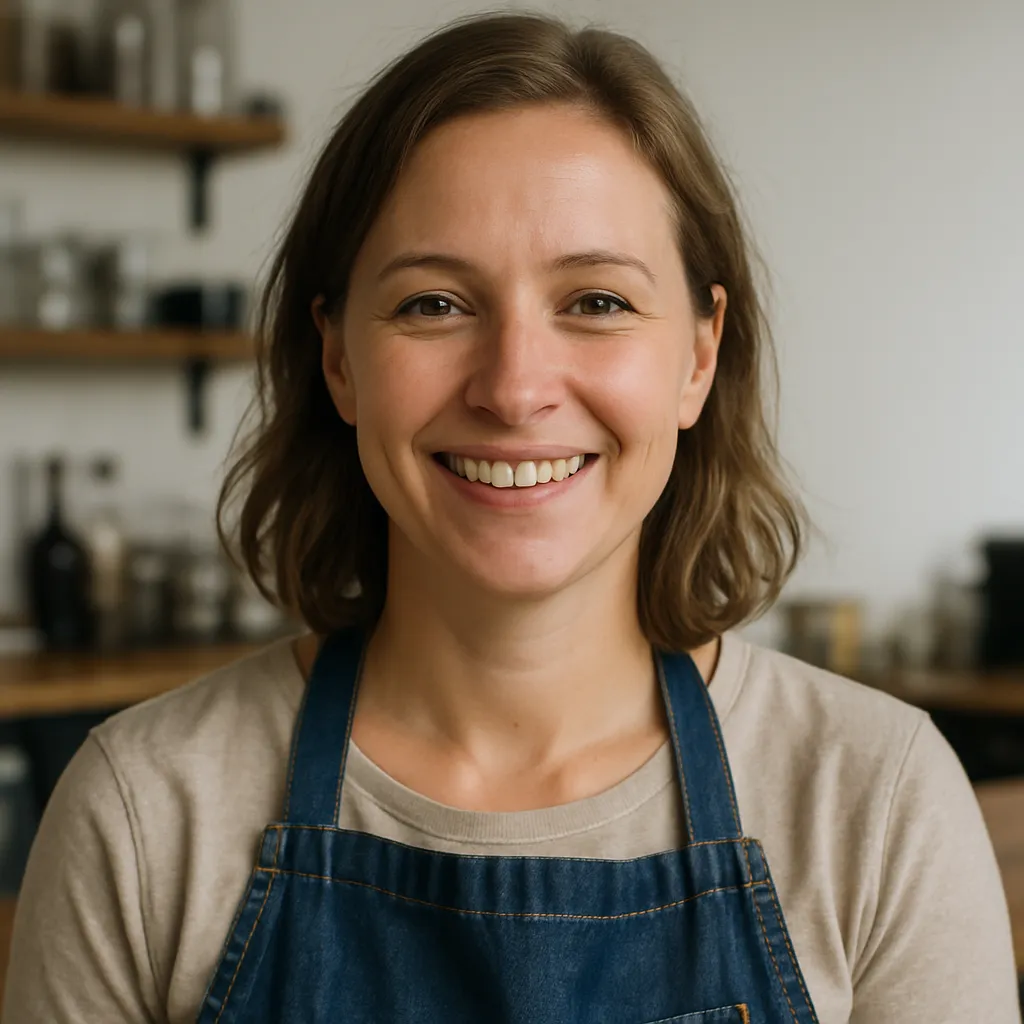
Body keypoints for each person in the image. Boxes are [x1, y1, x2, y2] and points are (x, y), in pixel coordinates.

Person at [3, 10, 1019, 1024]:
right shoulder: (142, 812)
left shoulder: (876, 800)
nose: (515, 386)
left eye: (597, 302)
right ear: (339, 357)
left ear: (699, 357)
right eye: (434, 304)